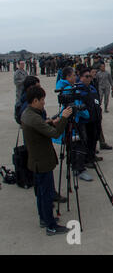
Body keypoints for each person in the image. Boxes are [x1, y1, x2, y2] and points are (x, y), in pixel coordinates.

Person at [21, 86, 73, 235]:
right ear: (35, 100)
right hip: (42, 162)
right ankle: (51, 226)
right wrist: (64, 118)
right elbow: (56, 134)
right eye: (42, 100)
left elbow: (41, 126)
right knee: (46, 194)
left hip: (36, 160)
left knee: (41, 193)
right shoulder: (33, 117)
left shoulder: (28, 113)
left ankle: (44, 219)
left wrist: (50, 122)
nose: (44, 103)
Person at [55, 67, 93, 182]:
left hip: (69, 120)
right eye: (72, 75)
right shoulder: (68, 90)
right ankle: (79, 169)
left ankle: (74, 165)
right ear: (67, 77)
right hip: (74, 121)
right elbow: (75, 106)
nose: (75, 77)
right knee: (80, 143)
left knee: (72, 145)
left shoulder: (66, 88)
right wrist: (84, 112)